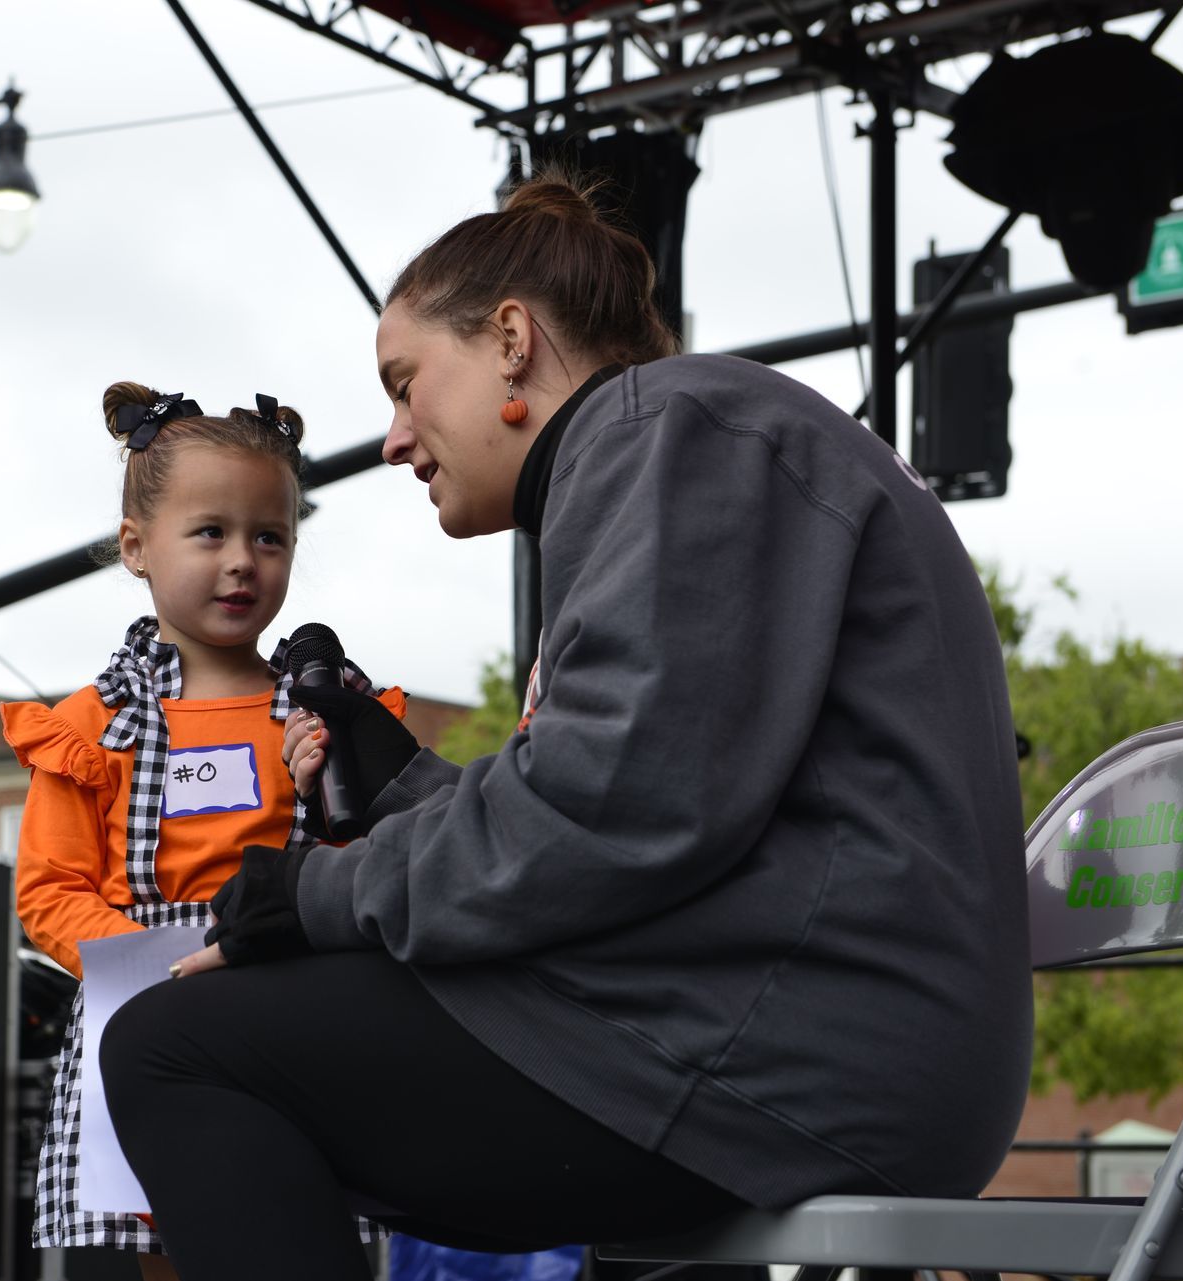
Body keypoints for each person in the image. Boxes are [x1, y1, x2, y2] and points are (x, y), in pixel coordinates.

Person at [97, 176, 1034, 1281]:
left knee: (175, 1047)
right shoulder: (677, 449)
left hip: (794, 1054)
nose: (395, 439)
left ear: (509, 341)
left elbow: (621, 811)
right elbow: (629, 809)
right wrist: (405, 789)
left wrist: (310, 895)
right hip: (797, 1030)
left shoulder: (670, 430)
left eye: (406, 385)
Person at [0, 383, 403, 1275]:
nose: (242, 562)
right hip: (149, 1006)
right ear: (137, 547)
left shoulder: (331, 703)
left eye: (270, 535)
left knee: (311, 1230)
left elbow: (384, 867)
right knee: (176, 1242)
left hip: (296, 1001)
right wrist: (155, 962)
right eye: (210, 532)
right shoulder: (93, 724)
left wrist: (333, 803)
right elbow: (51, 890)